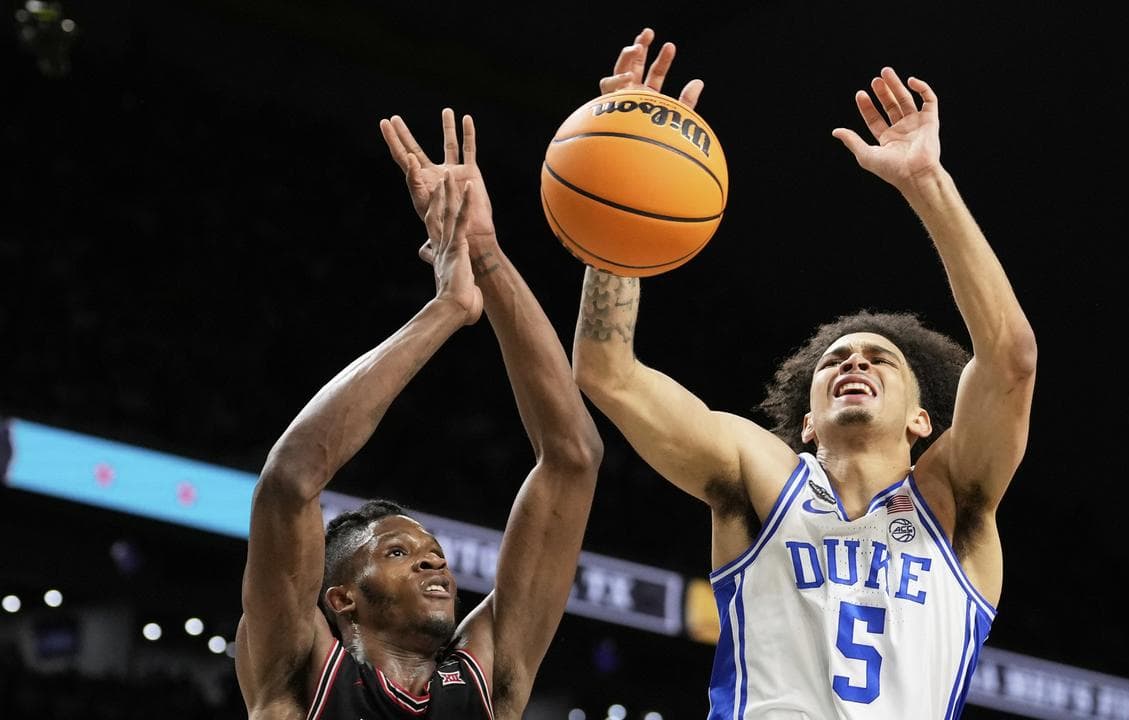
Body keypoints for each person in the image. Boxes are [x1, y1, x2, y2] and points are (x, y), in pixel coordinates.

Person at [572, 28, 1037, 719]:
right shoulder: (765, 474)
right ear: (808, 421)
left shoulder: (952, 504)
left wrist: (925, 183)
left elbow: (1011, 358)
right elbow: (606, 372)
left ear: (922, 419)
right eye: (835, 361)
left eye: (880, 358)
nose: (854, 360)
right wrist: (618, 194)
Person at [235, 108, 603, 719]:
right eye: (399, 553)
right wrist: (448, 309)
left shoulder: (490, 679)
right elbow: (291, 478)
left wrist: (483, 253)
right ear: (343, 598)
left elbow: (573, 458)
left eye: (431, 550)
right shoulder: (300, 672)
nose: (435, 560)